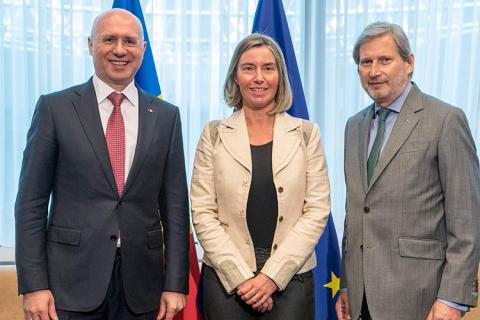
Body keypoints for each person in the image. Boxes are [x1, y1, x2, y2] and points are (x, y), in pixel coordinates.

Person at [15, 9, 189, 320]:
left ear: (143, 50)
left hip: (143, 286)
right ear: (90, 45)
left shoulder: (166, 116)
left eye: (130, 41)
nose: (120, 50)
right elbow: (31, 204)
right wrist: (33, 284)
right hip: (68, 285)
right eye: (109, 39)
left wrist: (176, 284)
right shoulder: (55, 109)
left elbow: (176, 207)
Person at [336, 21, 480, 320]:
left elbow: (467, 222)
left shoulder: (446, 120)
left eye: (384, 60)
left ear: (409, 62)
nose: (374, 71)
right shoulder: (354, 126)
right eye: (366, 62)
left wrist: (452, 299)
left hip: (422, 298)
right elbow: (356, 212)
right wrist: (347, 285)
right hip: (362, 298)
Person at [190, 33, 331, 320]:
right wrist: (241, 278)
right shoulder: (213, 134)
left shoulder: (306, 133)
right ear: (235, 76)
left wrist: (270, 278)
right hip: (227, 282)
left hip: (292, 280)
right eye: (248, 68)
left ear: (280, 75)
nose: (259, 77)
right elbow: (203, 212)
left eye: (268, 68)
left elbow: (317, 210)